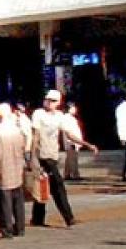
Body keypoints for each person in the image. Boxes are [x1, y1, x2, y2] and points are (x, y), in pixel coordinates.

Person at [30, 90, 96, 228]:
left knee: (44, 185)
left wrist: (86, 144)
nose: (49, 102)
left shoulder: (59, 116)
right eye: (48, 99)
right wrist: (33, 156)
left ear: (59, 103)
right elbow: (35, 136)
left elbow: (69, 134)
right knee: (58, 186)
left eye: (53, 101)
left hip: (52, 155)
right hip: (42, 155)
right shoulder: (38, 114)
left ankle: (37, 218)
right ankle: (69, 217)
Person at [0, 104, 25, 239]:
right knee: (18, 199)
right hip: (17, 167)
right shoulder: (17, 130)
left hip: (5, 168)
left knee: (6, 201)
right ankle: (20, 228)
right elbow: (22, 148)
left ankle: (7, 229)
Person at [62, 103, 85, 180]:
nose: (75, 109)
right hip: (71, 141)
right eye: (73, 108)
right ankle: (75, 174)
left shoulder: (72, 118)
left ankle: (67, 174)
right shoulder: (66, 118)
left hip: (74, 141)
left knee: (69, 159)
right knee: (73, 159)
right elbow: (69, 132)